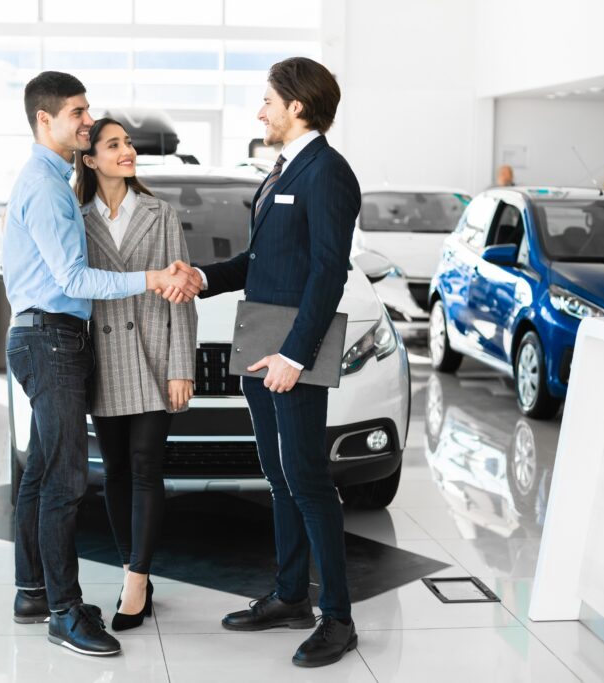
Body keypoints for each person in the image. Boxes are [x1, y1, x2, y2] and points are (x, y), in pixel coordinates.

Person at [167, 57, 361, 668]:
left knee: (307, 480)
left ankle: (337, 617)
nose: (261, 112)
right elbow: (263, 259)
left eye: (268, 102)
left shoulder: (327, 172)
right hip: (260, 341)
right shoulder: (284, 170)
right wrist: (203, 276)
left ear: (296, 106)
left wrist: (297, 356)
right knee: (279, 477)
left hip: (289, 350)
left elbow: (329, 270)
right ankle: (289, 597)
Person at [3, 71, 202, 657]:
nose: (87, 122)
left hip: (49, 334)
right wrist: (151, 278)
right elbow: (71, 278)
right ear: (46, 120)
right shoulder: (47, 187)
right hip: (52, 337)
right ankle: (64, 611)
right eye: (78, 113)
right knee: (65, 479)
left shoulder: (51, 182)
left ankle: (33, 590)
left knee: (42, 473)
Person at [74, 118, 198, 632]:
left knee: (146, 467)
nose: (127, 151)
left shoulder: (160, 212)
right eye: (114, 144)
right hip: (105, 361)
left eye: (127, 143)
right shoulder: (78, 218)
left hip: (151, 357)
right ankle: (133, 573)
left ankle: (137, 581)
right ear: (91, 160)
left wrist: (180, 366)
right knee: (116, 473)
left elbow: (182, 294)